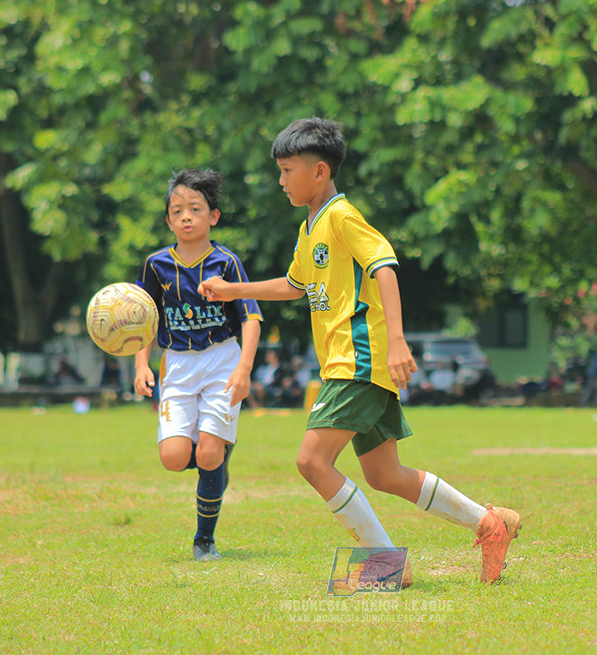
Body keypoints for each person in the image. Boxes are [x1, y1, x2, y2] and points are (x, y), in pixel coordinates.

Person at [200, 117, 521, 584]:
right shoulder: (310, 227)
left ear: (320, 172)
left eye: (288, 170)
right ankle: (491, 523)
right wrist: (233, 290)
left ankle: (390, 566)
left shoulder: (341, 216)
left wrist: (396, 342)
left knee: (312, 461)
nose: (282, 180)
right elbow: (295, 284)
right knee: (383, 474)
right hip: (349, 363)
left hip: (359, 359)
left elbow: (385, 266)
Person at [134, 168, 263, 562]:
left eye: (195, 208)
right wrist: (142, 365)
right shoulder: (156, 265)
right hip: (177, 366)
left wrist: (243, 370)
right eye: (178, 210)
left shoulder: (226, 263)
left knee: (208, 454)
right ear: (169, 220)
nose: (186, 216)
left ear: (214, 216)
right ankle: (218, 456)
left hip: (222, 361)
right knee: (173, 458)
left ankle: (203, 540)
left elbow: (251, 318)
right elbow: (143, 319)